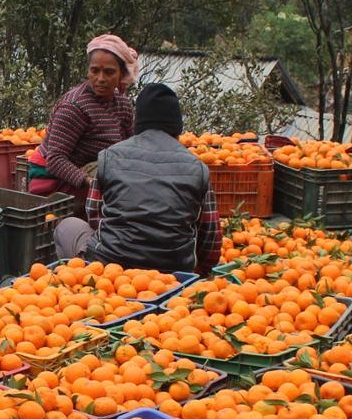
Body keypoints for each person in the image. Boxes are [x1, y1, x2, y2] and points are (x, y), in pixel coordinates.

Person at [52, 83, 221, 274]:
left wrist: (122, 239)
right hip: (172, 271)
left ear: (137, 122)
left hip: (112, 267)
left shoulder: (110, 156)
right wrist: (201, 271)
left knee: (66, 226)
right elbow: (210, 235)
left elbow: (94, 213)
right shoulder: (197, 167)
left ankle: (75, 285)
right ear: (177, 128)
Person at [26, 33, 138, 206]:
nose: (100, 79)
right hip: (55, 183)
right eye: (95, 71)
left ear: (121, 74)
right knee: (107, 171)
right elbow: (55, 160)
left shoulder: (123, 105)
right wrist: (90, 183)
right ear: (88, 71)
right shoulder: (75, 106)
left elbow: (131, 148)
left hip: (95, 175)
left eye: (109, 72)